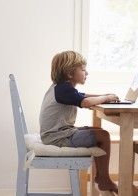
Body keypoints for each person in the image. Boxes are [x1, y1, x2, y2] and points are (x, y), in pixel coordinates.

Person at [39, 51, 120, 195]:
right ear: (70, 73)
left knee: (98, 131)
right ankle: (104, 179)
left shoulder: (60, 88)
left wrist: (105, 96)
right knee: (104, 136)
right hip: (58, 138)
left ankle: (101, 178)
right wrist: (105, 97)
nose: (86, 72)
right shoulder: (64, 90)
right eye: (82, 69)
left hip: (59, 133)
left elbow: (82, 95)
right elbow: (85, 102)